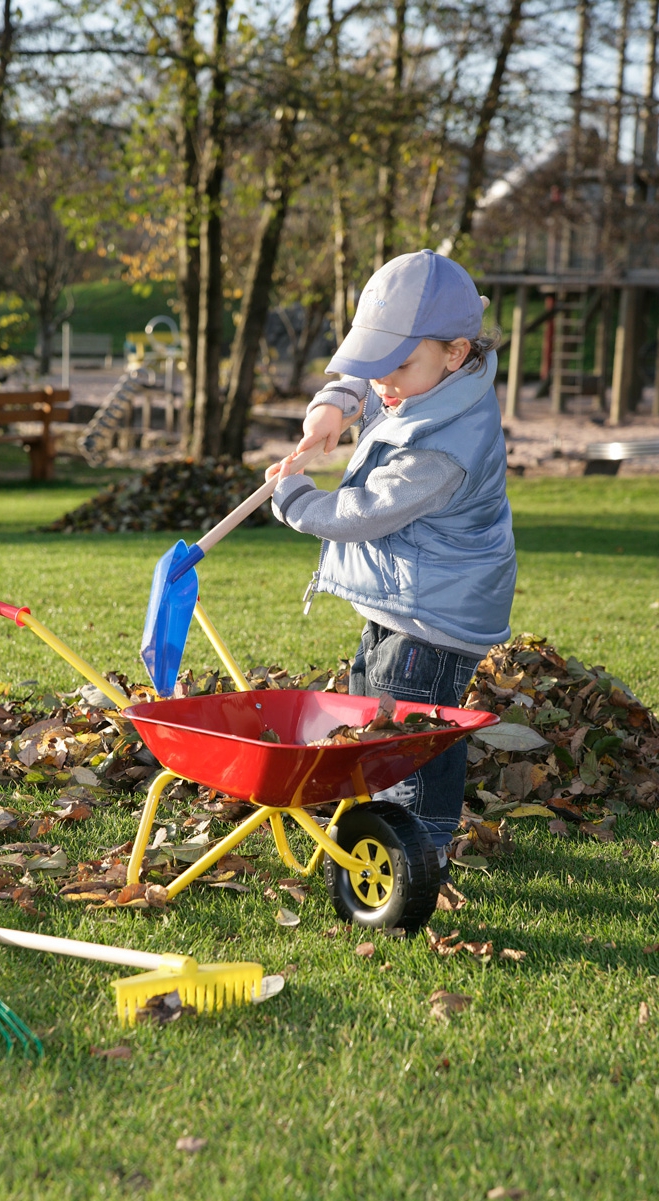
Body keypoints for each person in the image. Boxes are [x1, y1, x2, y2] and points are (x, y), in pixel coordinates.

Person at [266, 248, 517, 882]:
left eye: (398, 365)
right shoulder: (415, 379)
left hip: (438, 610)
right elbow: (359, 381)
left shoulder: (451, 443)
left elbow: (369, 512)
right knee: (372, 701)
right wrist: (329, 411)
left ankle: (421, 844)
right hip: (403, 595)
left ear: (456, 353)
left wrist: (298, 502)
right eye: (377, 363)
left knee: (415, 726)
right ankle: (379, 810)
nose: (383, 383)